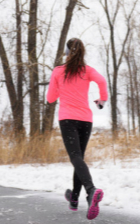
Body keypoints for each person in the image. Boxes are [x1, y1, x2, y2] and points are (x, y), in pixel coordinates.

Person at [46, 38, 108, 220]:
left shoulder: (58, 71)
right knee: (78, 158)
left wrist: (59, 88)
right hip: (86, 120)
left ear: (66, 52)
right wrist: (102, 100)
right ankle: (74, 198)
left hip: (67, 119)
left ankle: (91, 190)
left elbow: (50, 98)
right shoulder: (87, 70)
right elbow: (102, 81)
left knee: (75, 157)